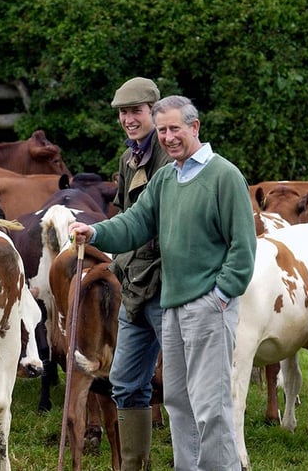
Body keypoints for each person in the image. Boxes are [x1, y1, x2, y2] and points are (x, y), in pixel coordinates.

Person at [69, 95, 256, 471]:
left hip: (208, 306)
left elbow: (243, 246)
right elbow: (135, 223)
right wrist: (96, 232)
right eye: (165, 130)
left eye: (176, 129)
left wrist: (220, 296)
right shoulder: (168, 177)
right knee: (178, 403)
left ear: (195, 127)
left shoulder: (225, 176)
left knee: (211, 404)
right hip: (171, 305)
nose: (169, 137)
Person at [107, 77, 172, 471]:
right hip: (134, 287)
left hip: (167, 286)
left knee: (182, 388)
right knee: (126, 383)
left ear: (154, 111)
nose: (129, 119)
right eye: (123, 113)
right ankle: (136, 466)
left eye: (136, 111)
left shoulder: (170, 156)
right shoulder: (127, 158)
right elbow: (123, 216)